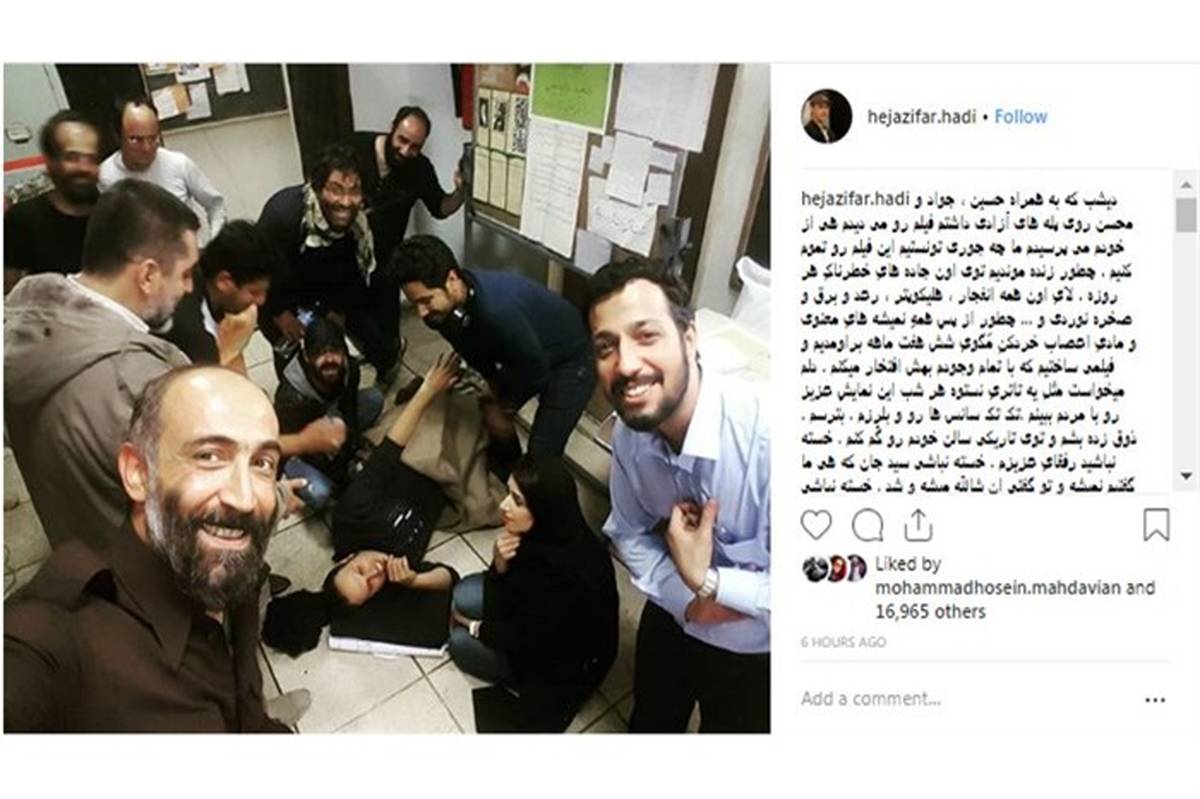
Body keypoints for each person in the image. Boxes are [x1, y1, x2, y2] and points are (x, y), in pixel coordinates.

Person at [4, 366, 291, 732]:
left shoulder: (229, 565)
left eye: (262, 463)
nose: (245, 498)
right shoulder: (50, 641)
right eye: (209, 456)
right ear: (138, 473)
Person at [586, 260, 771, 733]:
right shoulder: (631, 435)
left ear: (689, 338)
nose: (626, 364)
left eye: (646, 336)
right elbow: (627, 530)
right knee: (651, 720)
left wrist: (709, 582)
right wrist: (686, 598)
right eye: (606, 347)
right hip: (674, 614)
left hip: (756, 650)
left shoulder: (769, 442)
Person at [4, 179, 198, 552]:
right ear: (148, 275)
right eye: (185, 273)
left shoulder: (22, 320)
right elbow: (197, 500)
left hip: (72, 540)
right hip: (143, 568)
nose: (188, 288)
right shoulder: (141, 381)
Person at [394, 235, 596, 478]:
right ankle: (508, 475)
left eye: (426, 300)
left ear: (452, 279)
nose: (421, 313)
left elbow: (537, 372)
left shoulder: (498, 311)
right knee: (490, 412)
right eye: (415, 303)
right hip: (527, 350)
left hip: (572, 359)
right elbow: (475, 353)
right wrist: (493, 388)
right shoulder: (442, 313)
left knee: (542, 454)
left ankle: (536, 488)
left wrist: (507, 406)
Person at [449, 455, 618, 732]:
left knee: (459, 644)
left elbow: (525, 638)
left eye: (517, 501)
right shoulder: (547, 532)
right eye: (508, 493)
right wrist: (500, 566)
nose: (504, 505)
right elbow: (515, 593)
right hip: (533, 622)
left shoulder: (566, 574)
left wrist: (474, 627)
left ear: (542, 508)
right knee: (464, 593)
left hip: (559, 662)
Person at [258, 143, 400, 382]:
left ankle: (382, 366)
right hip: (279, 295)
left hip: (326, 287)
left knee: (367, 337)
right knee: (291, 362)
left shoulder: (360, 225)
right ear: (317, 187)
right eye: (335, 190)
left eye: (354, 191)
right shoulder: (283, 214)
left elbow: (354, 272)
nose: (346, 201)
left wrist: (339, 309)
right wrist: (279, 312)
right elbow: (258, 270)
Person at [347, 105, 466, 343]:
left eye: (415, 147)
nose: (405, 150)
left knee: (387, 330)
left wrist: (462, 191)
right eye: (402, 140)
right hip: (346, 257)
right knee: (349, 323)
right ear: (391, 128)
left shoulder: (420, 168)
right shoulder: (354, 148)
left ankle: (389, 355)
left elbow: (440, 208)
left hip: (387, 260)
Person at [274, 317, 385, 510]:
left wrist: (352, 444)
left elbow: (349, 407)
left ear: (344, 351)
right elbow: (288, 441)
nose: (329, 359)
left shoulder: (350, 368)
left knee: (375, 398)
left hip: (329, 415)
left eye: (335, 351)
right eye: (318, 353)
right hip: (297, 442)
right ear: (306, 357)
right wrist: (338, 470)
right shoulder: (291, 396)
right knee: (321, 494)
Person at [157, 219, 282, 372]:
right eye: (253, 292)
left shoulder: (188, 259)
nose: (261, 301)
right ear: (224, 281)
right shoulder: (197, 340)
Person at [4, 109, 101, 293]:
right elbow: (9, 293)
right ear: (50, 162)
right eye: (72, 157)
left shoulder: (114, 214)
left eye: (91, 158)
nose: (84, 167)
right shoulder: (22, 221)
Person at [99, 98, 227, 235]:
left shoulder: (179, 164)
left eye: (153, 138)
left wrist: (216, 242)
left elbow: (215, 204)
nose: (147, 148)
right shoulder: (105, 176)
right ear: (118, 136)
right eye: (136, 140)